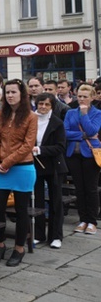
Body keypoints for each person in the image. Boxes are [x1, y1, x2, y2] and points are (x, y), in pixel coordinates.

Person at [0, 79, 37, 267]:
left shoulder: (31, 117)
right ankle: (0, 244)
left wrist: (7, 162)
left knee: (21, 210)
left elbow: (28, 145)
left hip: (22, 168)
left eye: (13, 92)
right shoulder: (1, 114)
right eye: (7, 92)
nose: (10, 95)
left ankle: (19, 248)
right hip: (1, 168)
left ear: (22, 94)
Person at [63, 83, 101, 235]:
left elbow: (93, 130)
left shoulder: (97, 113)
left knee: (90, 189)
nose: (82, 99)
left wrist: (85, 115)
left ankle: (92, 221)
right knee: (79, 189)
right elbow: (65, 132)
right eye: (79, 96)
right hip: (74, 155)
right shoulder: (70, 113)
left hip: (90, 155)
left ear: (92, 98)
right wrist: (83, 135)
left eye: (85, 97)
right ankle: (82, 219)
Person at [32, 93, 67, 248]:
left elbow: (60, 146)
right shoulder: (31, 120)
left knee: (55, 201)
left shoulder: (57, 123)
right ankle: (39, 234)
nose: (43, 107)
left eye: (47, 104)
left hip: (54, 167)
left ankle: (56, 236)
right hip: (36, 166)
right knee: (37, 201)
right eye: (41, 104)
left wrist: (40, 150)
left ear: (52, 106)